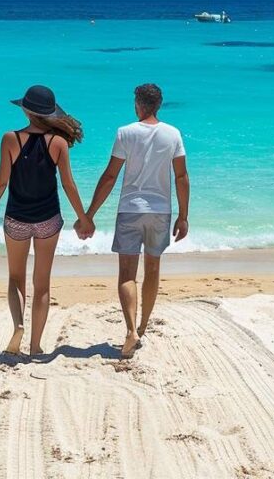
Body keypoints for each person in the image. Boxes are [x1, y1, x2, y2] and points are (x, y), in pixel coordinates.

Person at [0, 85, 93, 356]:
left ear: (26, 111)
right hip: (48, 220)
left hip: (16, 218)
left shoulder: (9, 139)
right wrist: (83, 218)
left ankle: (18, 325)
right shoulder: (59, 143)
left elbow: (1, 182)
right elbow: (69, 185)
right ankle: (36, 345)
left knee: (16, 277)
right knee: (42, 284)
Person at [81, 83, 189, 357]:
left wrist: (89, 214)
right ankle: (141, 328)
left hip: (130, 209)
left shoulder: (125, 133)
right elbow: (181, 176)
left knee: (127, 274)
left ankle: (129, 330)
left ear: (138, 104)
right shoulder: (173, 134)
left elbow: (110, 176)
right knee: (152, 270)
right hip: (161, 211)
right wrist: (183, 216)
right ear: (159, 105)